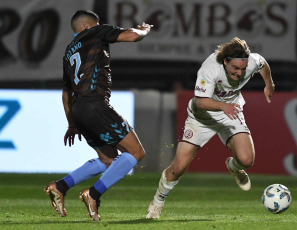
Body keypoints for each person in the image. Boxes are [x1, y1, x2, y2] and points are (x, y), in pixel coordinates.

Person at [146, 37, 275, 219]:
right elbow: (201, 101)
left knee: (246, 160)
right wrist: (223, 106)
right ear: (225, 61)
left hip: (231, 112)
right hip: (202, 117)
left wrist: (269, 84)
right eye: (235, 68)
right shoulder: (210, 67)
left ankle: (234, 166)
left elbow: (263, 64)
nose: (239, 73)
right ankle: (157, 202)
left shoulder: (251, 61)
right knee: (178, 168)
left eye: (243, 69)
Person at [44, 10, 153, 221]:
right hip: (95, 105)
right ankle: (93, 194)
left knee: (107, 159)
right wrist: (144, 31)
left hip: (78, 110)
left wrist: (72, 123)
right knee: (136, 152)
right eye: (97, 23)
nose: (100, 25)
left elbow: (66, 94)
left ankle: (60, 186)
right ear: (87, 26)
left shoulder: (68, 53)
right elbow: (132, 35)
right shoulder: (96, 32)